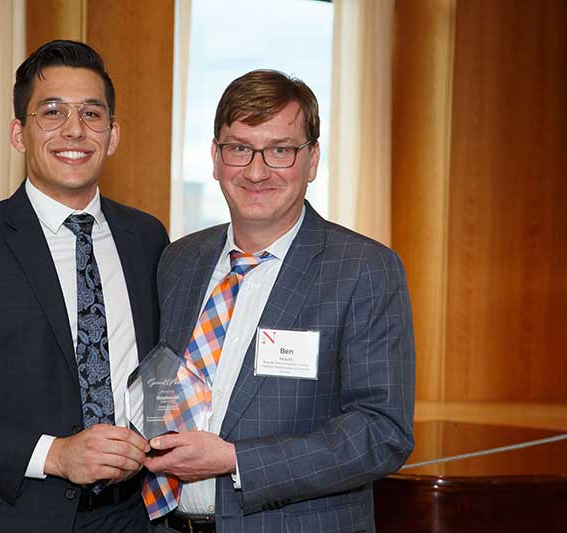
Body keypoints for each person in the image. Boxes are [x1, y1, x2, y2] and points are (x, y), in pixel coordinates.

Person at [0, 40, 167, 532]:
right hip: (10, 517)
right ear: (19, 133)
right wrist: (56, 455)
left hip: (133, 516)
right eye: (52, 112)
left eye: (91, 113)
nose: (74, 130)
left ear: (113, 134)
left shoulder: (147, 237)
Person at [144, 70, 415, 533]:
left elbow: (382, 432)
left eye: (280, 150)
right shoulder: (179, 259)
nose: (256, 170)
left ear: (311, 161)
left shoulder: (364, 269)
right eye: (239, 148)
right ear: (215, 157)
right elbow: (160, 380)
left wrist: (235, 460)